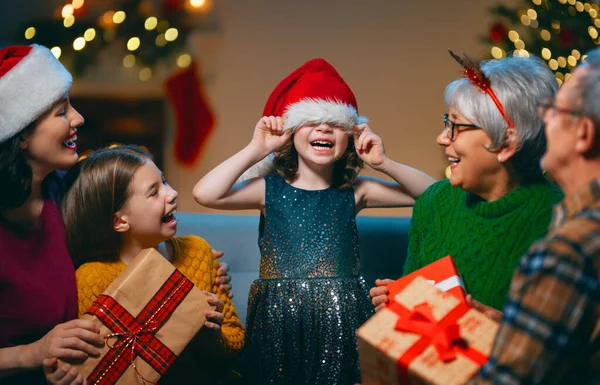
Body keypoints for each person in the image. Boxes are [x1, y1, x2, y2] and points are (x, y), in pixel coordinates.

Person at [193, 58, 435, 385]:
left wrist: (384, 162)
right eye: (311, 121)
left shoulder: (355, 192)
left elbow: (433, 193)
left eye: (334, 124)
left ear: (350, 136)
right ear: (290, 132)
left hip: (342, 320)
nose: (323, 129)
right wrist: (255, 149)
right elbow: (205, 193)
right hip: (279, 322)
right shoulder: (268, 191)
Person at [370, 52, 564, 312]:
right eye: (446, 122)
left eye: (456, 126)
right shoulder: (435, 202)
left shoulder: (563, 222)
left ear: (507, 142)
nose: (441, 138)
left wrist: (504, 331)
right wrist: (398, 307)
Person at [468, 47, 600, 385]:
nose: (543, 120)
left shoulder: (569, 252)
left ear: (583, 134)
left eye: (554, 110)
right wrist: (513, 330)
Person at [60, 145, 245, 385]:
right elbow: (99, 365)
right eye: (154, 192)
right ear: (119, 221)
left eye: (165, 182)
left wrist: (213, 337)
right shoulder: (92, 277)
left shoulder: (197, 251)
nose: (173, 193)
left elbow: (236, 341)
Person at [0, 43, 104, 385]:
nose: (78, 119)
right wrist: (32, 353)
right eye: (61, 112)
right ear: (22, 134)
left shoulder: (68, 190)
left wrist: (194, 264)